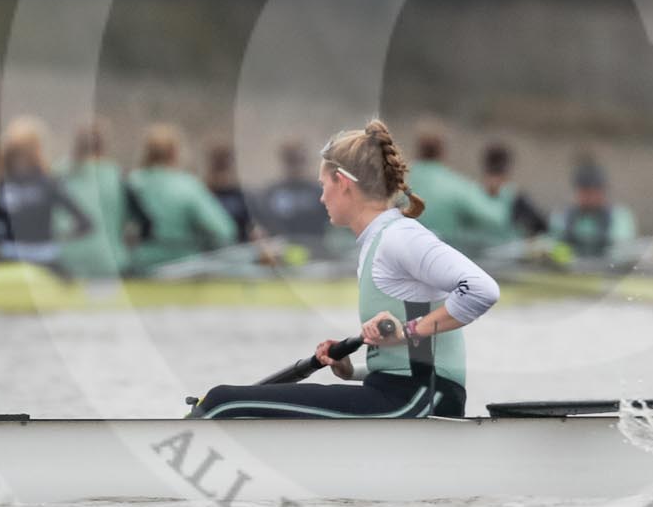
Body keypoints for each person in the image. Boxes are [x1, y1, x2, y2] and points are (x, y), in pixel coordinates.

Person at [194, 120, 499, 419]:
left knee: (222, 402)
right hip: (405, 393)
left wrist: (406, 331)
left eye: (324, 186)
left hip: (419, 399)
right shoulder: (377, 241)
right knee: (225, 401)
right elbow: (407, 355)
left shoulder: (400, 236)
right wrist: (352, 370)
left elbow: (481, 289)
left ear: (343, 183)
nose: (321, 197)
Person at [0, 116, 94, 268]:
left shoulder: (2, 188)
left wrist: (2, 238)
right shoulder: (48, 183)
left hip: (12, 259)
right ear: (37, 151)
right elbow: (85, 223)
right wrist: (59, 236)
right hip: (42, 258)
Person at [125, 124, 239, 272]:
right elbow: (224, 231)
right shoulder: (188, 185)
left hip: (138, 267)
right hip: (183, 269)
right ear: (175, 153)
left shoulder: (130, 182)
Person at [406, 126, 508, 253]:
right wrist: (500, 192)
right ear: (443, 152)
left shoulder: (397, 182)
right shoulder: (456, 186)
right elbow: (496, 218)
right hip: (441, 259)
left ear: (417, 150)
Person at [60, 115, 136, 279]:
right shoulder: (116, 175)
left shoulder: (57, 173)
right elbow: (133, 223)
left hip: (64, 263)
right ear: (103, 145)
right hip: (109, 264)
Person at [547, 156, 637, 261]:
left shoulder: (620, 216)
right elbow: (554, 245)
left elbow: (623, 249)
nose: (591, 198)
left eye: (595, 192)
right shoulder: (562, 216)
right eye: (585, 192)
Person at [205, 143, 255, 243]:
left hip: (239, 247)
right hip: (213, 250)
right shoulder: (205, 193)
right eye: (219, 161)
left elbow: (251, 225)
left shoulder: (240, 193)